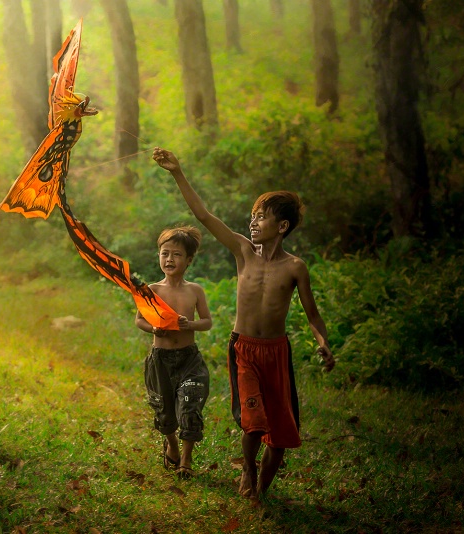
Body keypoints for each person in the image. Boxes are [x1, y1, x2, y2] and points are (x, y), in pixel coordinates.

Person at [152, 147, 335, 499]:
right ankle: (247, 472)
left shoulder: (295, 267)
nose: (253, 222)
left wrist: (323, 342)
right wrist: (177, 172)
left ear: (282, 226)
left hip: (276, 352)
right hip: (244, 349)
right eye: (252, 216)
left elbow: (313, 314)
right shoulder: (242, 251)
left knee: (280, 437)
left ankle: (261, 492)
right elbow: (204, 216)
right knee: (253, 424)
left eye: (261, 217)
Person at [136, 225, 213, 480]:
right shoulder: (152, 291)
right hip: (160, 360)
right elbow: (139, 320)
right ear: (158, 256)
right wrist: (154, 329)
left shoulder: (195, 291)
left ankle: (187, 458)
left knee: (190, 404)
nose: (169, 259)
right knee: (165, 410)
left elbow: (207, 322)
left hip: (188, 358)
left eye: (176, 255)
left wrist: (189, 325)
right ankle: (171, 444)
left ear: (189, 260)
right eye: (164, 253)